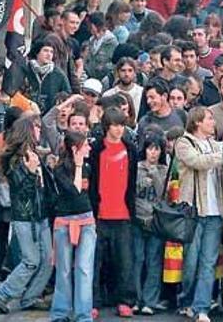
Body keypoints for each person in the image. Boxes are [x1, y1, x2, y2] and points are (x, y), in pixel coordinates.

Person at [0, 115, 54, 314]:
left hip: (40, 214)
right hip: (25, 218)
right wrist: (31, 172)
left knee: (48, 260)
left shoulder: (34, 154)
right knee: (31, 260)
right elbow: (20, 190)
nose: (39, 131)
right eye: (36, 127)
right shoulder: (15, 159)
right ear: (27, 130)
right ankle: (3, 292)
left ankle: (30, 297)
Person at [88, 108, 138, 317]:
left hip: (123, 213)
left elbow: (133, 181)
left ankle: (125, 300)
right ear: (107, 126)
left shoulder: (131, 149)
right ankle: (93, 301)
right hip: (99, 213)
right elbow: (91, 182)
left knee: (124, 261)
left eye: (122, 125)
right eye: (115, 125)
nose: (119, 129)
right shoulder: (96, 149)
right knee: (95, 261)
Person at [175, 107, 223, 322]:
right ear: (197, 122)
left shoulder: (214, 145)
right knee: (191, 261)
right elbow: (198, 162)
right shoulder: (183, 143)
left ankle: (201, 307)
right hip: (194, 212)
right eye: (209, 119)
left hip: (215, 213)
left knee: (208, 262)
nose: (213, 122)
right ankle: (185, 300)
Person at [50, 131, 97, 322]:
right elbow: (75, 191)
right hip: (65, 220)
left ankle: (83, 314)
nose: (89, 148)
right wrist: (78, 166)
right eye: (85, 145)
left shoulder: (88, 167)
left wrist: (81, 166)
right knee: (64, 269)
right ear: (74, 148)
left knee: (84, 269)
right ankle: (60, 312)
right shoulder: (60, 169)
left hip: (86, 219)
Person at [131, 133, 168, 315]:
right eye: (150, 148)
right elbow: (131, 192)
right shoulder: (136, 168)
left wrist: (155, 174)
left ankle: (150, 300)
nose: (153, 153)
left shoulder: (163, 169)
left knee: (154, 261)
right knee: (137, 260)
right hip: (138, 218)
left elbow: (163, 193)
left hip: (155, 221)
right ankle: (136, 299)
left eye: (157, 149)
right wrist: (141, 183)